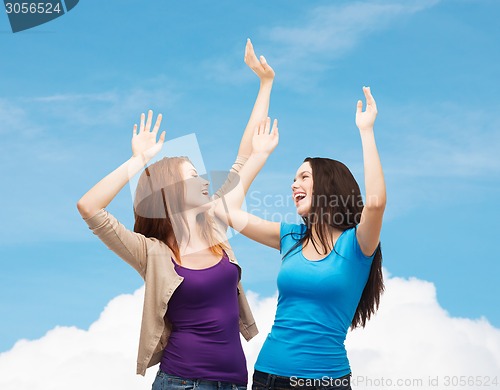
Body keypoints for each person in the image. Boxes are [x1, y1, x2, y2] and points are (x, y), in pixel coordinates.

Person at [76, 39, 275, 389]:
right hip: (182, 383)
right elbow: (90, 207)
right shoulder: (150, 252)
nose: (203, 180)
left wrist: (265, 84)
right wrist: (138, 162)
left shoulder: (214, 225)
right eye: (192, 176)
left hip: (233, 382)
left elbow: (244, 155)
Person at [214, 87, 385, 390]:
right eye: (294, 178)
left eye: (304, 177)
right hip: (268, 376)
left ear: (329, 185)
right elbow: (226, 210)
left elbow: (374, 203)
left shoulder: (356, 245)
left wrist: (367, 130)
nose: (294, 184)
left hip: (325, 382)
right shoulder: (290, 237)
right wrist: (259, 155)